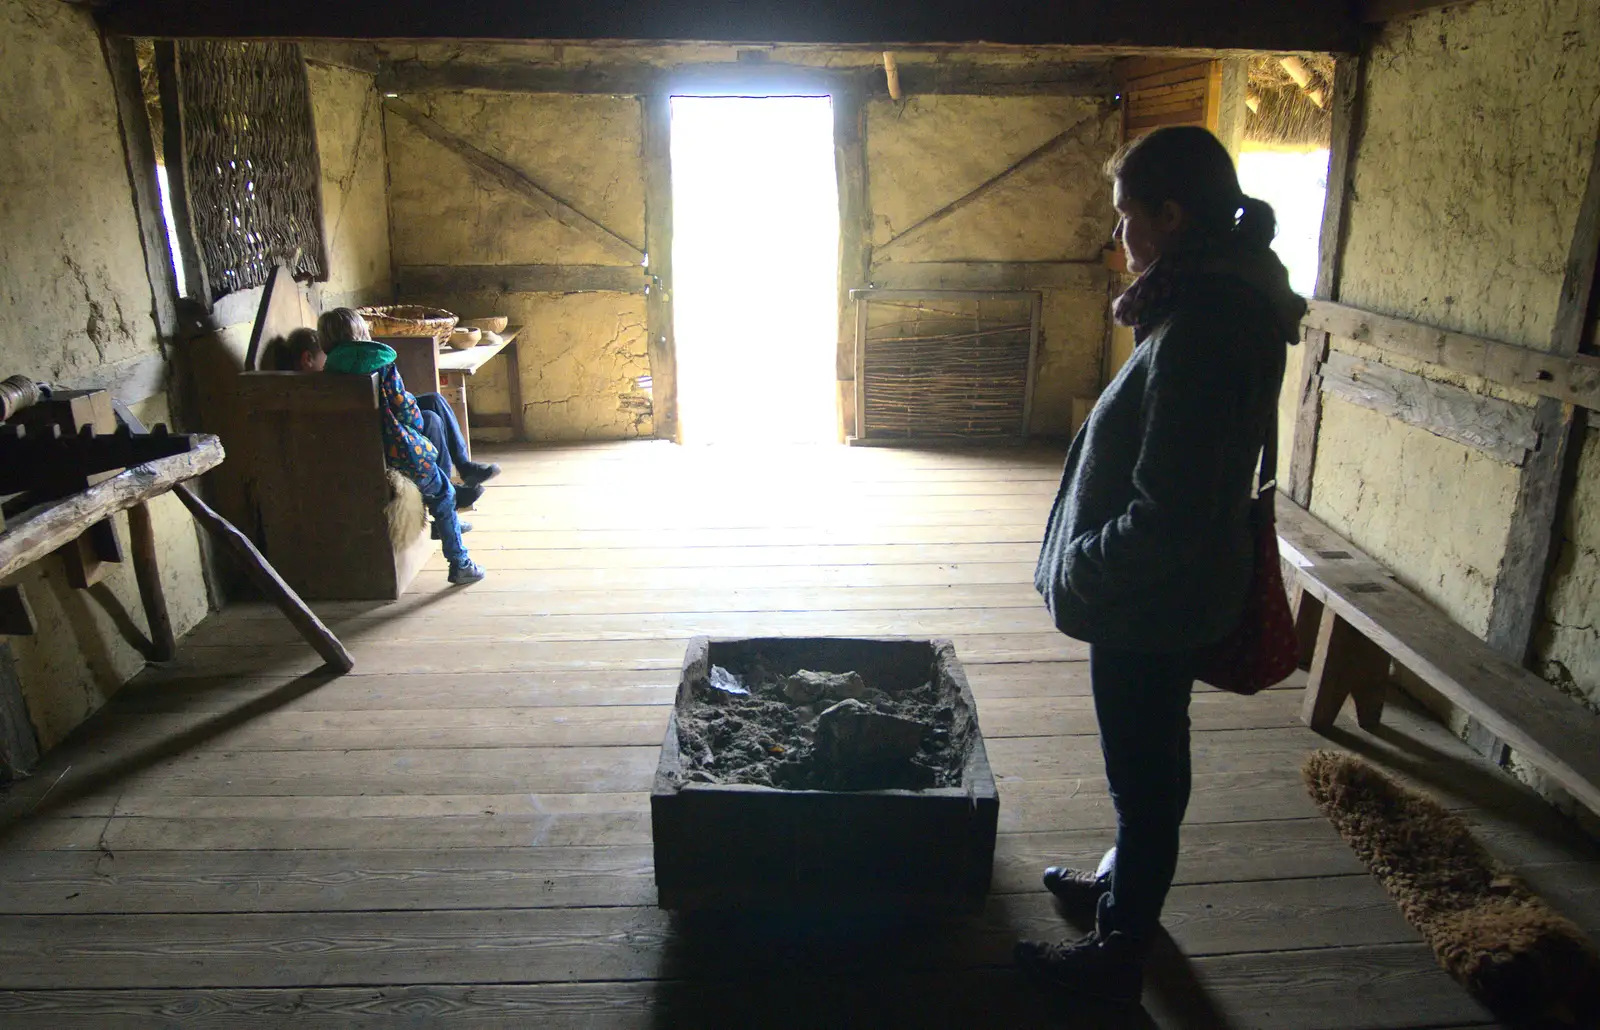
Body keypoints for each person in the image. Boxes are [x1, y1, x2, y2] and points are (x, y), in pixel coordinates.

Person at [1018, 126, 1306, 1005]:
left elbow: (1169, 513)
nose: (1120, 238)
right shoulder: (1208, 299)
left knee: (1146, 777)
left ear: (1171, 217)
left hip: (1153, 601)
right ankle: (1124, 890)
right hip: (1165, 592)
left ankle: (1119, 950)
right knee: (1145, 764)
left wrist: (1087, 569)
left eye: (1126, 218)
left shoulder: (1208, 328)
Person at [317, 308, 488, 585]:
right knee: (443, 492)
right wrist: (418, 426)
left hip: (365, 445)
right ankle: (460, 563)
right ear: (361, 333)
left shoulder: (330, 372)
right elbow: (407, 412)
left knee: (432, 408)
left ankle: (451, 521)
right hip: (398, 448)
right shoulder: (380, 364)